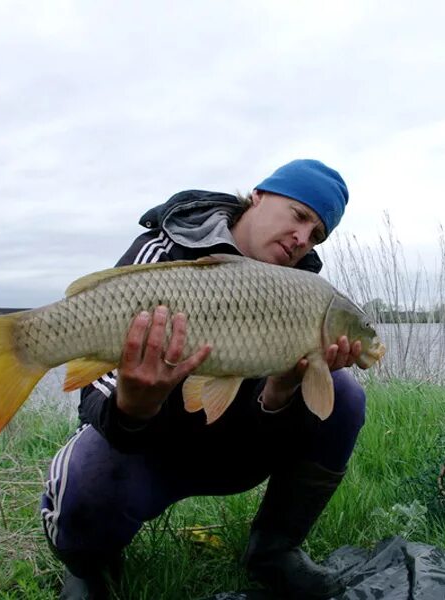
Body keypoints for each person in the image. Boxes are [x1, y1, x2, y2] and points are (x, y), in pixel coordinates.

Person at [40, 159, 368, 599]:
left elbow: (266, 419)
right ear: (260, 195)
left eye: (317, 234)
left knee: (343, 393)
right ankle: (87, 566)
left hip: (230, 451)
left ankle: (274, 550)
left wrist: (281, 389)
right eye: (300, 215)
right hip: (143, 451)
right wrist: (135, 404)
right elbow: (91, 402)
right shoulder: (165, 251)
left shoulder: (300, 293)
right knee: (89, 468)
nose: (302, 239)